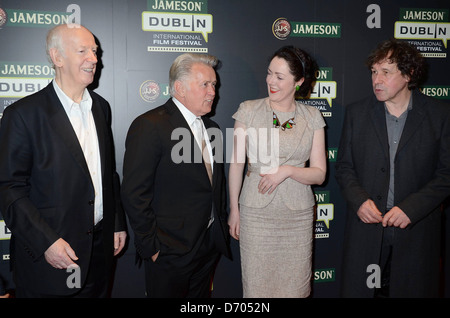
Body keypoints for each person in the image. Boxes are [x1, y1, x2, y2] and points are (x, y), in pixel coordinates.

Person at [0, 23, 127, 298]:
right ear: (57, 58)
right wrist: (46, 242)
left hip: (100, 254)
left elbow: (107, 175)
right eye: (83, 51)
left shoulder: (101, 108)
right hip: (51, 259)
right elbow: (9, 189)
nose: (94, 59)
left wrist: (116, 222)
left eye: (95, 51)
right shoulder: (23, 114)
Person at [335, 39, 450, 298]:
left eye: (386, 72)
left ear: (408, 75)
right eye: (374, 72)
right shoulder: (357, 113)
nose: (377, 79)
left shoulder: (440, 115)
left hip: (416, 231)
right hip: (367, 230)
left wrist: (411, 209)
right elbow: (344, 167)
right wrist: (359, 201)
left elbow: (446, 174)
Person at [121, 53, 231, 298]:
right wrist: (152, 247)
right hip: (169, 252)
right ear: (179, 88)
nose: (213, 92)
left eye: (214, 85)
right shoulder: (149, 125)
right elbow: (134, 192)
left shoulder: (213, 129)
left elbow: (215, 186)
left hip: (207, 247)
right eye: (205, 84)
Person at [228, 46, 327, 297]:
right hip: (256, 214)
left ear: (299, 81)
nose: (271, 81)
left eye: (280, 77)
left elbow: (319, 174)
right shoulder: (248, 110)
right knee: (257, 288)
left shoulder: (312, 116)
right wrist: (234, 210)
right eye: (269, 73)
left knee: (295, 289)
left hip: (297, 218)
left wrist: (287, 170)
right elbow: (237, 164)